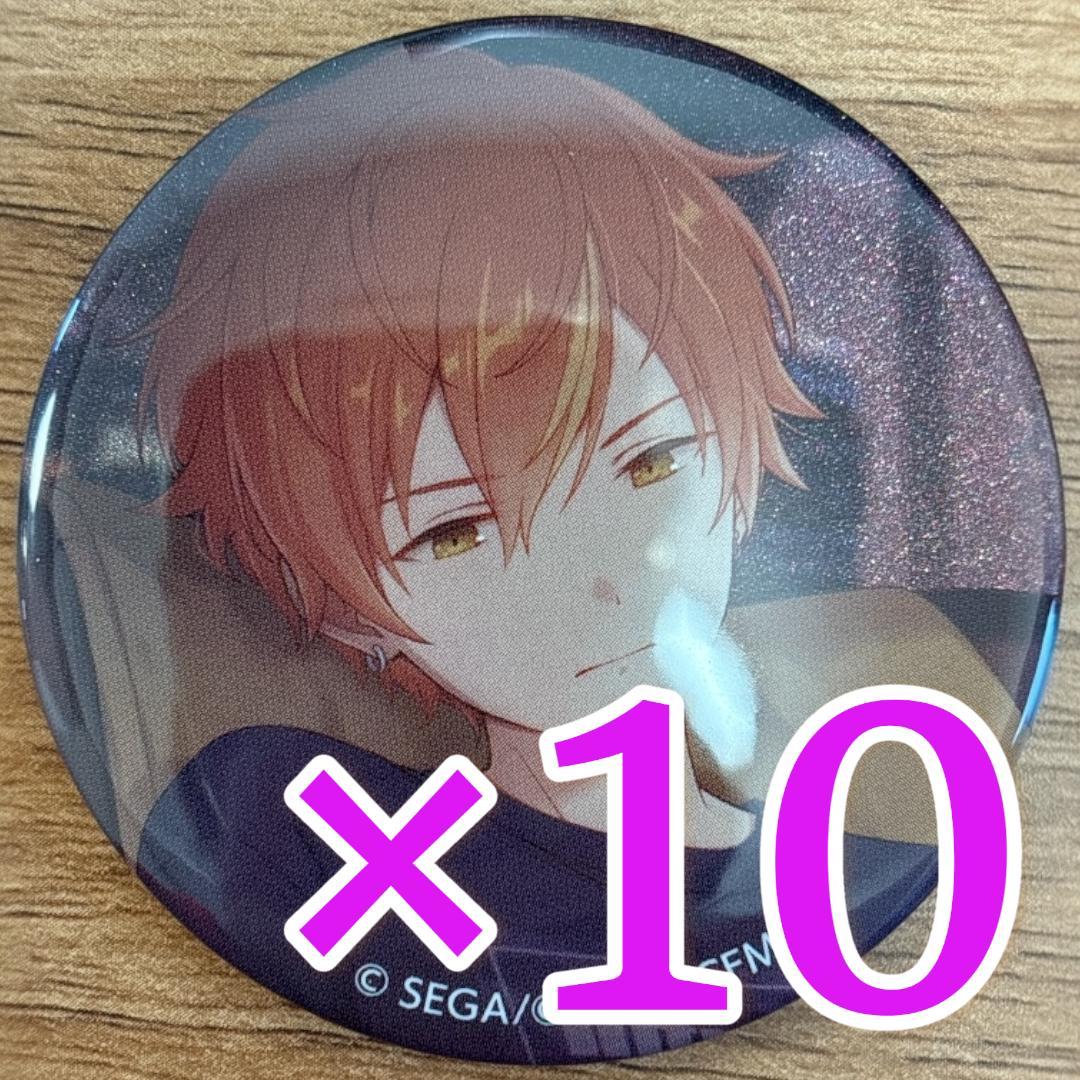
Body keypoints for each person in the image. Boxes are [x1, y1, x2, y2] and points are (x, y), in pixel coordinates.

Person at [75, 44, 1014, 1063]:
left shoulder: (843, 890)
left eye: (651, 463)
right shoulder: (282, 829)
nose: (603, 580)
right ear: (345, 607)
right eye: (456, 532)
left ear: (733, 432)